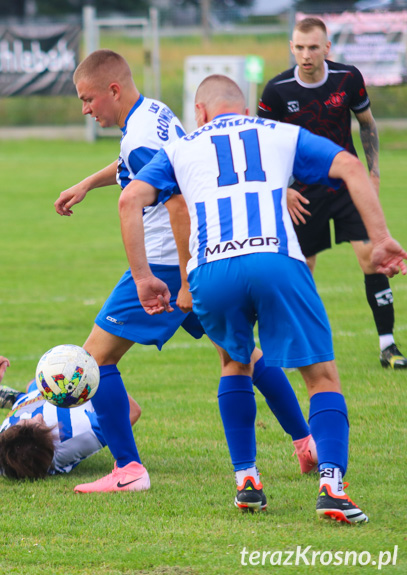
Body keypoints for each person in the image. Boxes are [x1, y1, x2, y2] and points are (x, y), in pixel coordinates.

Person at [119, 73, 406, 523]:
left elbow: (130, 199)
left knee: (234, 364)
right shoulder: (279, 132)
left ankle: (247, 479)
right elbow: (351, 166)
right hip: (276, 260)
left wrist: (142, 277)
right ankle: (331, 486)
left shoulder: (181, 146)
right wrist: (382, 237)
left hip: (211, 268)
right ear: (248, 108)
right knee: (321, 377)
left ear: (200, 113)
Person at [53, 50, 317, 495]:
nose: (85, 109)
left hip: (168, 264)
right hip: (201, 256)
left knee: (94, 361)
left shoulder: (138, 136)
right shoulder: (153, 111)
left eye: (88, 99)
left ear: (112, 91)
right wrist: (85, 183)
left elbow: (175, 202)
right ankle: (304, 439)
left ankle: (128, 469)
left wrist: (181, 276)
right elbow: (136, 166)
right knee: (240, 353)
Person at [258, 17, 404, 369]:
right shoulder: (277, 90)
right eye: (299, 47)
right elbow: (264, 147)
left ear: (327, 48)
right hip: (303, 192)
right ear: (292, 48)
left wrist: (372, 174)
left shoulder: (347, 79)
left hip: (347, 184)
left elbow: (366, 124)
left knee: (372, 258)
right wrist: (284, 191)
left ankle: (389, 346)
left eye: (313, 47)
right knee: (302, 269)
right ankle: (299, 349)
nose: (306, 55)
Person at [0, 356, 136, 479]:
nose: (38, 416)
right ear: (52, 442)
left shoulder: (1, 462)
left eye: (24, 422)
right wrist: (94, 375)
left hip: (34, 400)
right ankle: (20, 398)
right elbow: (132, 412)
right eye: (40, 424)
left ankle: (17, 399)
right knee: (38, 384)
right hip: (71, 397)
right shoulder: (80, 434)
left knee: (34, 388)